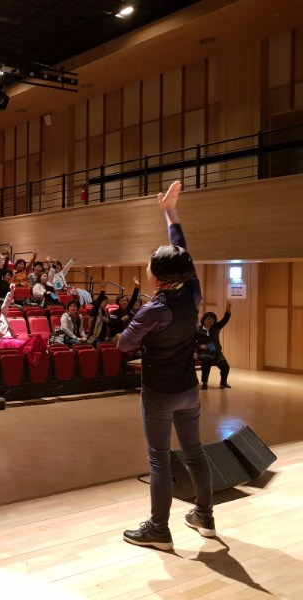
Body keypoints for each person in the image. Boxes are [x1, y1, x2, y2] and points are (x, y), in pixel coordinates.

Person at [116, 180, 214, 551]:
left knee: (159, 460)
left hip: (159, 393)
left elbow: (124, 345)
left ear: (157, 276)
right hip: (189, 389)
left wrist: (138, 331)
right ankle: (204, 516)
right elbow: (182, 252)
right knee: (195, 451)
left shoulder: (153, 309)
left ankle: (159, 529)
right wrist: (170, 212)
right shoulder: (192, 292)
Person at [196, 300, 232, 390]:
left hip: (216, 352)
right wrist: (201, 346)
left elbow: (224, 320)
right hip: (205, 352)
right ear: (204, 319)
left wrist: (228, 311)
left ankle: (223, 382)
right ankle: (205, 382)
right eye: (209, 318)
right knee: (206, 362)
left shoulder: (216, 328)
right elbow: (193, 342)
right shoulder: (198, 330)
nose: (210, 320)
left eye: (212, 319)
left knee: (225, 366)